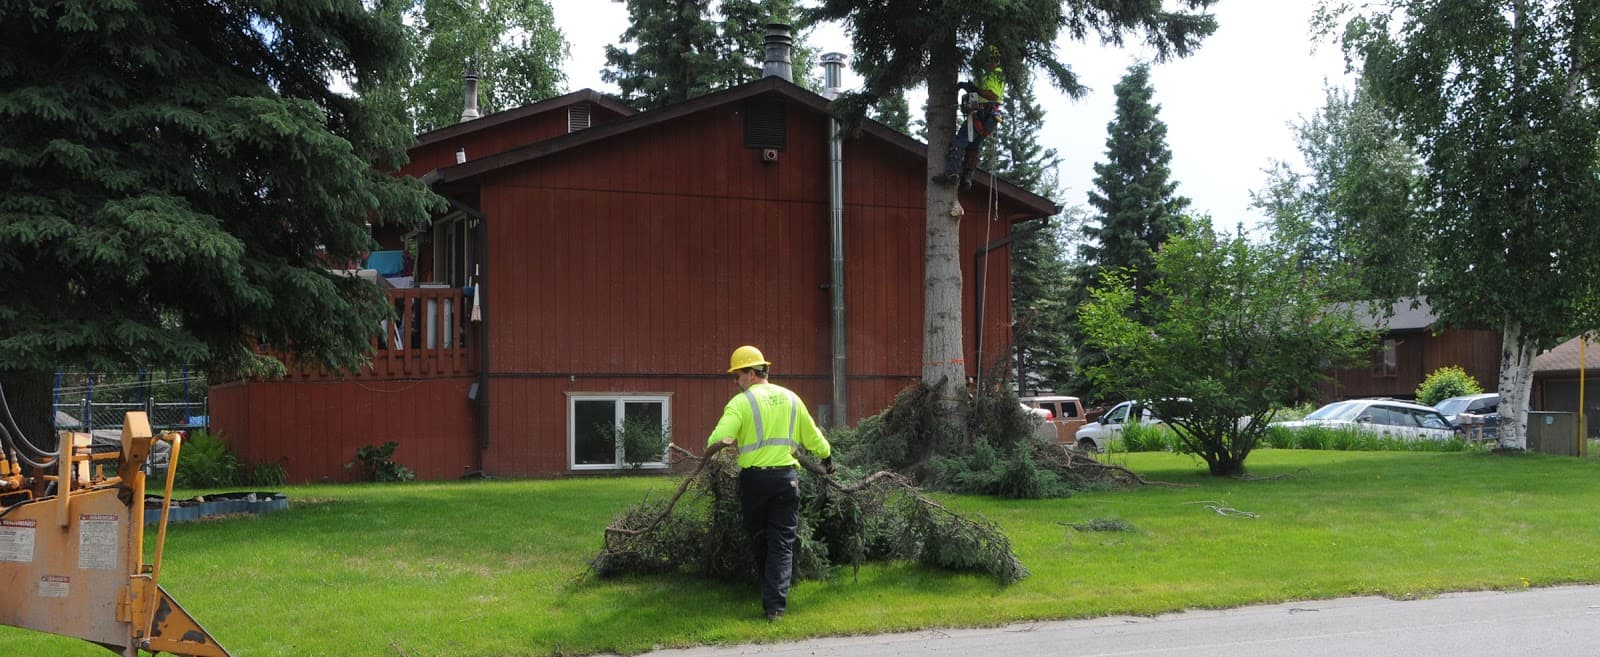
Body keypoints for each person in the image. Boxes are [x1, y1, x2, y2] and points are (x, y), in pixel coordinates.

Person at [707, 345, 833, 621]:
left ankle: (769, 591)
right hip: (786, 480)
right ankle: (774, 606)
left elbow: (718, 438)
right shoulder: (791, 399)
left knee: (759, 538)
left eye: (737, 376)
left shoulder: (741, 403)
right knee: (782, 543)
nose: (735, 382)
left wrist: (714, 450)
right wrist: (827, 457)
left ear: (751, 374)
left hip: (754, 481)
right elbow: (813, 437)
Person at [933, 46, 1005, 192]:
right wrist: (971, 90)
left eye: (987, 60)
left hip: (983, 114)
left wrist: (975, 89)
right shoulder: (992, 75)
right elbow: (984, 95)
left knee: (959, 142)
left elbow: (993, 96)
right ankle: (966, 178)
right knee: (973, 147)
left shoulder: (995, 75)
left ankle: (951, 173)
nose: (985, 64)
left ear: (993, 60)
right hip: (988, 117)